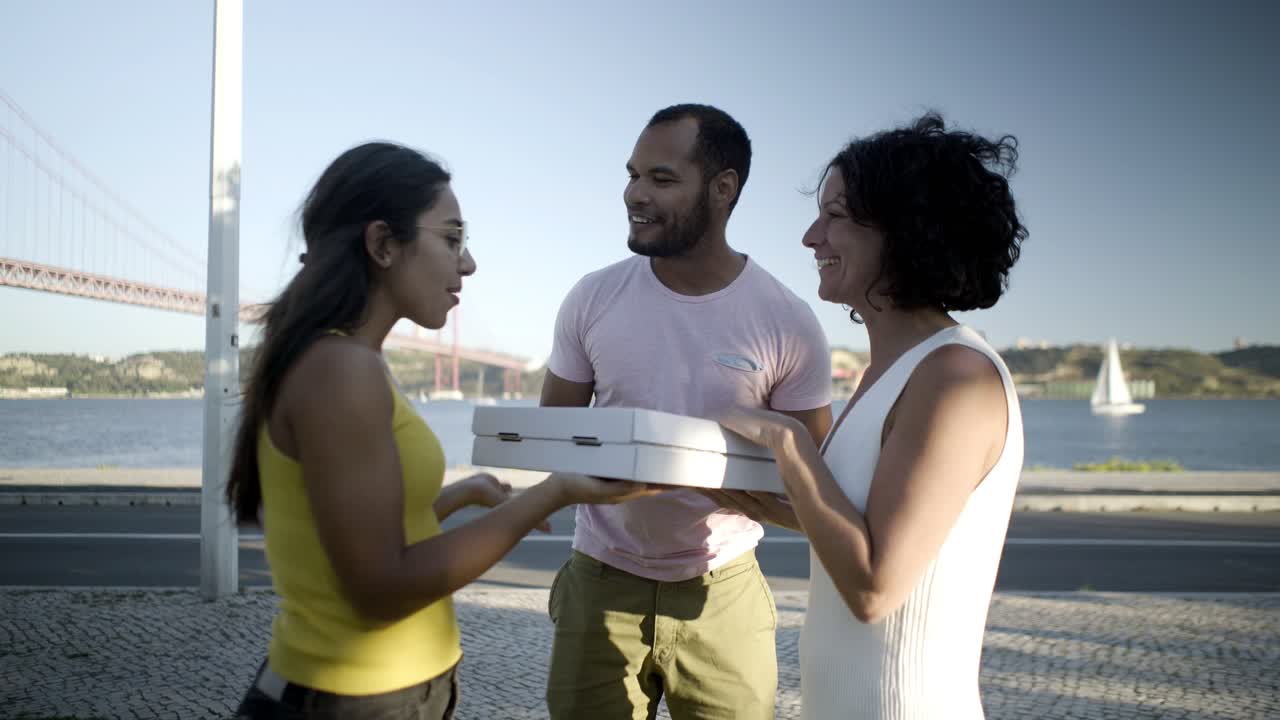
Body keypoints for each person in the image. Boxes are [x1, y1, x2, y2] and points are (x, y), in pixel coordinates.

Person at [224, 141, 662, 720]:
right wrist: (553, 493)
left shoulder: (341, 359)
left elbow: (363, 530)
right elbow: (380, 587)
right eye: (451, 239)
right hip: (349, 701)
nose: (468, 263)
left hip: (379, 694)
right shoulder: (342, 371)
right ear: (383, 244)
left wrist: (459, 495)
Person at [707, 112, 1029, 719]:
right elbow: (862, 524)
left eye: (836, 215)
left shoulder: (955, 377)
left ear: (904, 229)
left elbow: (876, 586)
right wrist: (730, 491)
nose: (810, 236)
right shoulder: (897, 370)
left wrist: (788, 442)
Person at [540, 104, 833, 719]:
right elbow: (555, 444)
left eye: (661, 179)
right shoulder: (592, 298)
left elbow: (820, 496)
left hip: (723, 594)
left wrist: (739, 496)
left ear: (722, 188)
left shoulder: (789, 323)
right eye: (633, 175)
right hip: (598, 581)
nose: (634, 194)